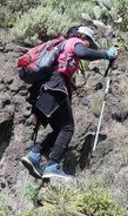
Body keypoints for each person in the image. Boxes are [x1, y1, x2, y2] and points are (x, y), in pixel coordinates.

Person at [21, 26, 118, 181]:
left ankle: (34, 155)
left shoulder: (63, 49)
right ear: (83, 37)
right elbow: (83, 53)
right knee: (68, 128)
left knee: (60, 129)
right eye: (89, 43)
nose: (88, 46)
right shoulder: (74, 41)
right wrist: (106, 54)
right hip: (54, 86)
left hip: (45, 89)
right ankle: (52, 166)